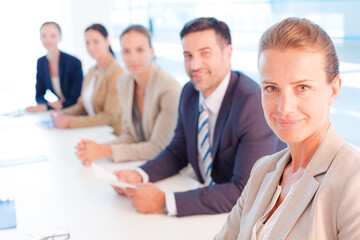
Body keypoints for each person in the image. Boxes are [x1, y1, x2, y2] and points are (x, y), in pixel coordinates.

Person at [112, 17, 286, 217]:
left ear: (227, 53)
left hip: (252, 215)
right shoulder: (190, 92)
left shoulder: (252, 103)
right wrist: (139, 175)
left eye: (205, 53)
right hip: (210, 206)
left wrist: (165, 201)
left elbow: (243, 191)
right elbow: (177, 152)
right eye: (188, 55)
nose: (194, 65)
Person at [215, 17, 360, 240]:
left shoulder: (353, 181)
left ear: (333, 90)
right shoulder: (263, 170)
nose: (284, 107)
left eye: (302, 87)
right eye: (272, 88)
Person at [75, 25, 181, 164]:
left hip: (170, 168)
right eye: (126, 51)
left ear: (152, 52)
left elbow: (159, 147)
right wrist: (98, 148)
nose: (132, 58)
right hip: (139, 162)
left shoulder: (169, 88)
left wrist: (106, 151)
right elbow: (130, 136)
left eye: (140, 50)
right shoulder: (124, 82)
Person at [51, 23, 124, 135]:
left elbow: (110, 117)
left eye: (96, 41)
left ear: (107, 41)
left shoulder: (116, 72)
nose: (90, 47)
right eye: (87, 43)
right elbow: (82, 106)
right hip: (95, 132)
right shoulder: (91, 71)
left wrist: (70, 122)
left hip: (112, 135)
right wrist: (61, 114)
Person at [26, 22, 83, 112]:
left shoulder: (74, 62)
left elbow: (76, 98)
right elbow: (39, 96)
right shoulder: (41, 63)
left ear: (60, 37)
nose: (48, 40)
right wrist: (50, 104)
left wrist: (47, 107)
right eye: (44, 35)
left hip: (78, 110)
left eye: (53, 35)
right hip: (62, 111)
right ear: (40, 38)